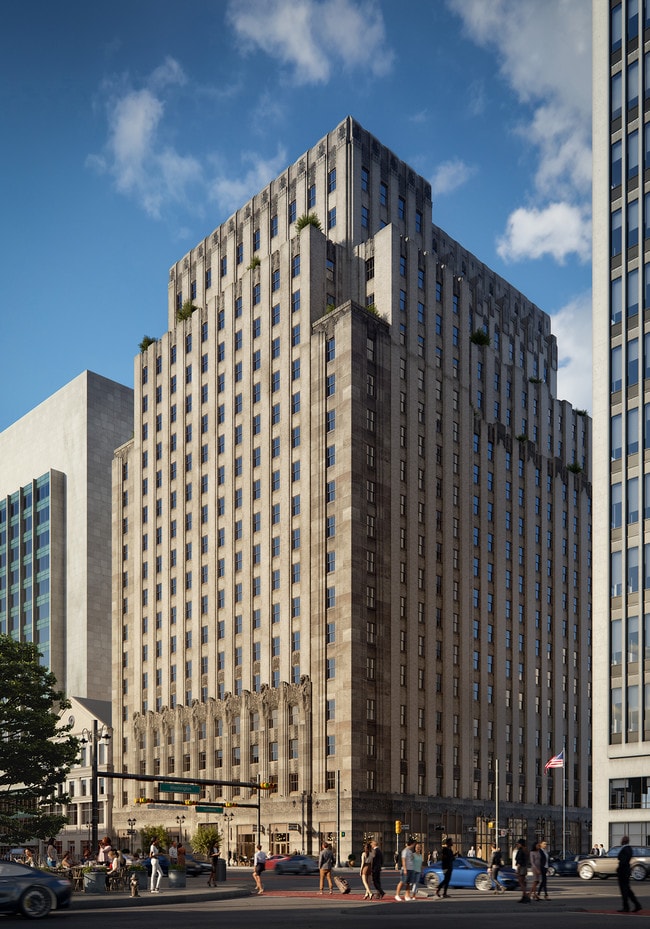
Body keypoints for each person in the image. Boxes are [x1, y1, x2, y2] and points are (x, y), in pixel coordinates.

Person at [617, 835, 642, 913]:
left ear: (624, 841)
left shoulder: (625, 849)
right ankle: (636, 905)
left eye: (622, 840)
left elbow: (623, 860)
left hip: (623, 871)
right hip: (625, 870)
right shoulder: (628, 848)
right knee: (627, 890)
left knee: (624, 890)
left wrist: (619, 868)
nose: (621, 841)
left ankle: (627, 907)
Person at [515, 839, 530, 904]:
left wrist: (517, 869)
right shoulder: (526, 850)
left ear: (520, 844)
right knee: (523, 882)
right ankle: (524, 896)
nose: (517, 845)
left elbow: (519, 861)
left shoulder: (520, 851)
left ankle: (525, 896)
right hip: (525, 867)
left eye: (518, 844)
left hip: (521, 867)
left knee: (521, 882)